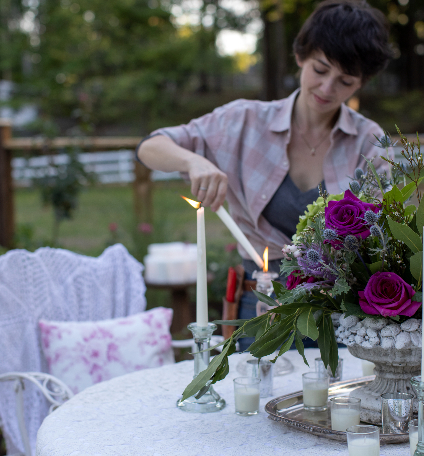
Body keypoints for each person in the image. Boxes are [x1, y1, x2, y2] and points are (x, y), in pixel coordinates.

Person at [137, 0, 394, 349]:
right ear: (301, 55)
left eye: (345, 80)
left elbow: (388, 236)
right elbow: (151, 147)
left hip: (344, 313)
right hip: (261, 304)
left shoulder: (370, 141)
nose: (327, 88)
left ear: (361, 83)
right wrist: (194, 162)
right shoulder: (243, 121)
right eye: (320, 70)